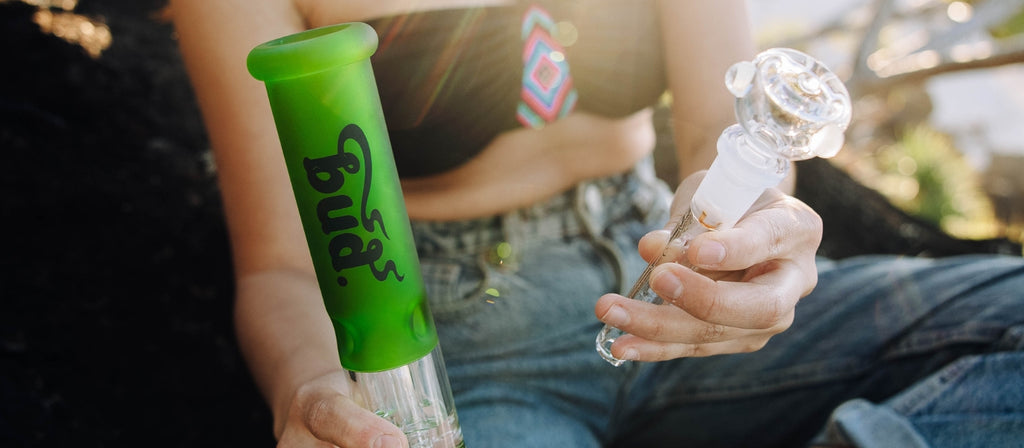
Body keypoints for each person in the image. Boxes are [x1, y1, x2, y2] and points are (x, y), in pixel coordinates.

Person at [169, 0, 1024, 446]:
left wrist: (758, 247)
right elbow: (280, 267)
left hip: (668, 275)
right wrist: (314, 392)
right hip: (463, 354)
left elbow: (716, 138)